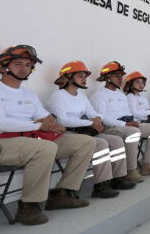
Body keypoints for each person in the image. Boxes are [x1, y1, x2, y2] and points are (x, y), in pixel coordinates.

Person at [0, 46, 95, 225]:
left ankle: (62, 194)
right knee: (45, 147)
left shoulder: (29, 94)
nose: (24, 68)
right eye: (18, 64)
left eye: (28, 65)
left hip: (28, 140)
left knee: (86, 142)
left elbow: (46, 117)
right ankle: (28, 207)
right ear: (3, 66)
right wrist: (42, 124)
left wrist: (48, 122)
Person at [47, 61, 127, 199]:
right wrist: (90, 122)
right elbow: (62, 121)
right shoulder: (57, 97)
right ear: (67, 78)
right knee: (101, 144)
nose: (84, 79)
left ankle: (116, 178)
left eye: (85, 76)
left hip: (82, 132)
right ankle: (100, 186)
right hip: (64, 134)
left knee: (116, 140)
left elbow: (93, 113)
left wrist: (96, 119)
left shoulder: (82, 96)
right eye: (80, 76)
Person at [90, 61, 150, 183]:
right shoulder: (99, 95)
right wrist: (125, 124)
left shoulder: (121, 95)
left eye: (121, 76)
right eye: (116, 76)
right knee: (133, 132)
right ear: (107, 78)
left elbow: (129, 113)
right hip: (111, 128)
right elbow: (101, 117)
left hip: (126, 126)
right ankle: (131, 171)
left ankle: (149, 165)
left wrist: (134, 121)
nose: (120, 79)